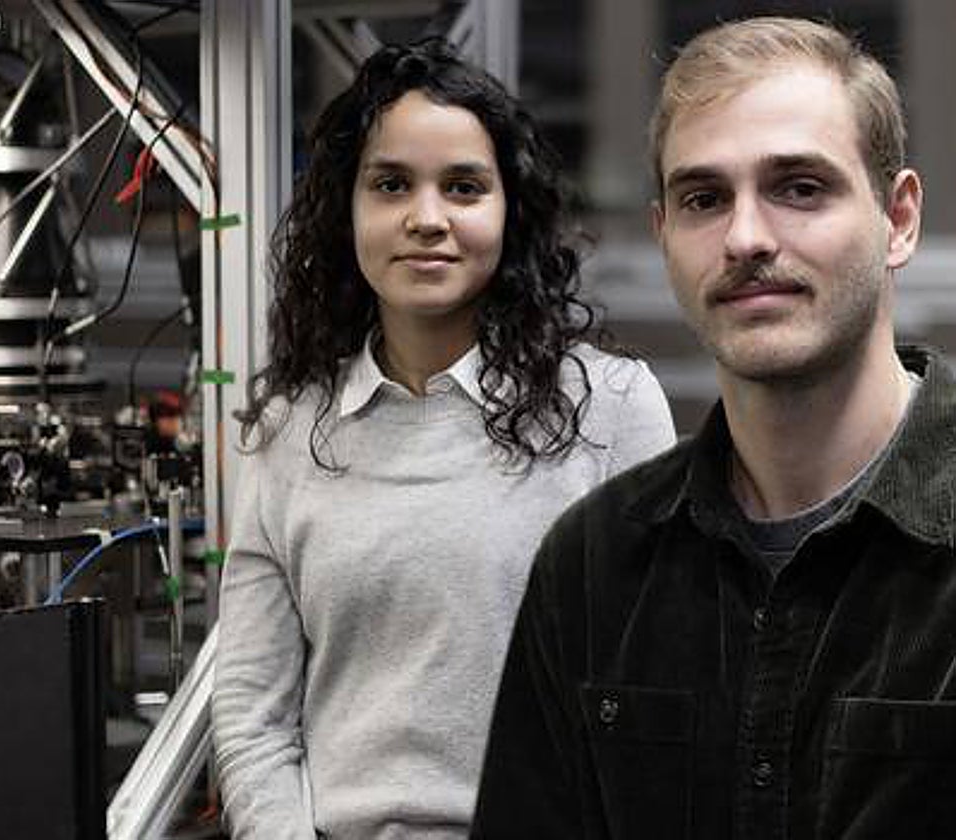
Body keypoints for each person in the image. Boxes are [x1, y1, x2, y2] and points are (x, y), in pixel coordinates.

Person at [469, 15, 955, 839]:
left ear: (898, 218)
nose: (746, 237)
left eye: (800, 187)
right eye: (703, 199)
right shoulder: (593, 564)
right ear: (664, 237)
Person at [211, 39, 675, 840]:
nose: (427, 219)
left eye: (463, 187)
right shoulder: (290, 431)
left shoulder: (612, 408)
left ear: (510, 210)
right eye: (391, 184)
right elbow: (252, 717)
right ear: (346, 209)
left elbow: (664, 696)